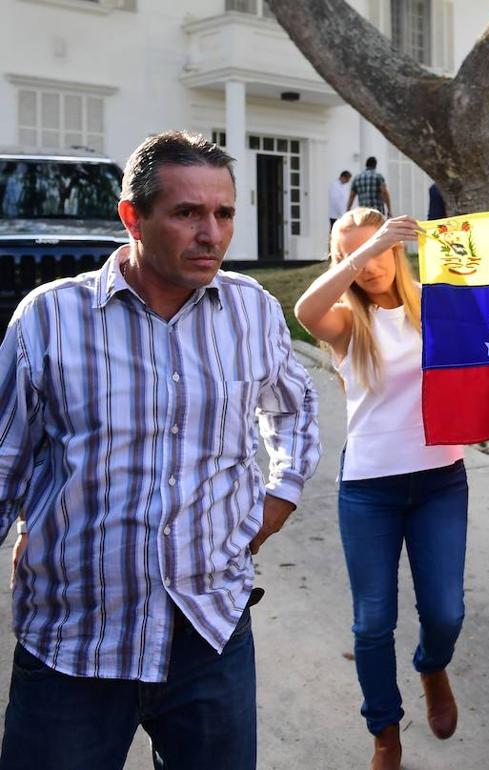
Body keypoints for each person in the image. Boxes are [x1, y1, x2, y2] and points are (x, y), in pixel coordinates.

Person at [0, 130, 321, 770]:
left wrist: (277, 500)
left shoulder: (253, 312)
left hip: (210, 635)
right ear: (133, 217)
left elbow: (294, 409)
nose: (211, 234)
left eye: (224, 213)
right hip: (75, 642)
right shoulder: (48, 319)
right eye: (187, 213)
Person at [293, 208, 468, 770]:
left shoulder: (435, 305)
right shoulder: (348, 322)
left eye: (376, 250)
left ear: (398, 249)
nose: (368, 267)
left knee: (446, 613)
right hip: (370, 489)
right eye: (352, 256)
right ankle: (385, 731)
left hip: (440, 479)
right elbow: (304, 311)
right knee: (372, 621)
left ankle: (432, 666)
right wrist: (363, 253)